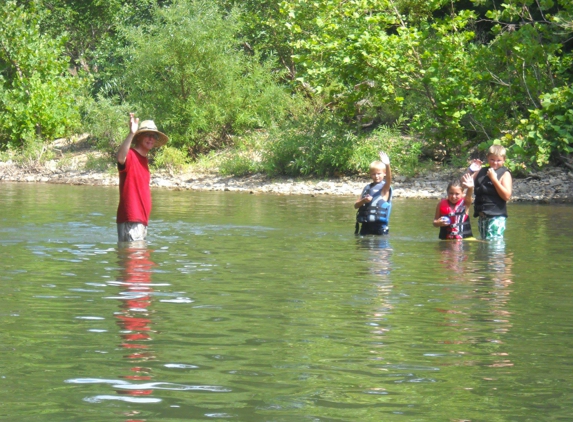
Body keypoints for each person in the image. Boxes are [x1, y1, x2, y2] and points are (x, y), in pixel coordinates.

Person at [116, 113, 169, 243]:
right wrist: (131, 133)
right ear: (139, 137)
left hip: (141, 220)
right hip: (132, 218)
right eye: (148, 135)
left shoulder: (144, 160)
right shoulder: (131, 155)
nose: (151, 139)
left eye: (154, 136)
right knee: (134, 259)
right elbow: (120, 158)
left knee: (139, 260)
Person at [467, 145, 513, 239]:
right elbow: (463, 184)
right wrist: (471, 169)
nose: (495, 163)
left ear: (504, 160)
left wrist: (494, 179)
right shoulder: (481, 171)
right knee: (483, 247)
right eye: (492, 159)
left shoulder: (505, 174)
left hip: (496, 217)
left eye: (499, 160)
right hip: (482, 217)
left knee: (494, 247)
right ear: (487, 157)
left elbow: (507, 196)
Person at [354, 152, 392, 235]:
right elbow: (356, 205)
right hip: (365, 226)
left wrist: (387, 164)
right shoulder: (367, 188)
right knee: (362, 247)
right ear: (370, 175)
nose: (376, 176)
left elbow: (389, 178)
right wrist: (364, 201)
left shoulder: (385, 188)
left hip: (379, 227)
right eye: (373, 174)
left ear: (384, 173)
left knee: (379, 247)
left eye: (379, 174)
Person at [433, 174, 474, 240]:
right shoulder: (441, 204)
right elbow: (435, 222)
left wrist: (470, 188)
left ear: (462, 193)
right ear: (447, 192)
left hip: (464, 241)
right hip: (446, 241)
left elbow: (469, 196)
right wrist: (437, 223)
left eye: (457, 194)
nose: (453, 196)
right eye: (451, 193)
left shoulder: (465, 203)